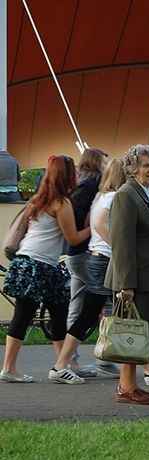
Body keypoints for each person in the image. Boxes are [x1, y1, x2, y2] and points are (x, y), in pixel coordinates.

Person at [0, 156, 90, 383]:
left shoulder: (37, 200)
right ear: (68, 175)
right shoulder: (62, 203)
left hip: (28, 262)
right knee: (28, 315)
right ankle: (10, 369)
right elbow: (73, 238)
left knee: (53, 314)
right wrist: (95, 227)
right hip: (39, 266)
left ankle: (62, 365)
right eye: (75, 172)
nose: (78, 176)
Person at [104, 145, 149, 404]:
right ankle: (126, 387)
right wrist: (126, 285)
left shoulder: (145, 193)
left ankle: (130, 384)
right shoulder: (126, 195)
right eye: (146, 165)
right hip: (135, 279)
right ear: (133, 169)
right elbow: (122, 243)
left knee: (140, 334)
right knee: (130, 333)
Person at [65, 147, 109, 377]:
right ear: (97, 163)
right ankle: (106, 358)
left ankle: (70, 361)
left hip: (76, 253)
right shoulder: (93, 188)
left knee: (78, 303)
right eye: (104, 161)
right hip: (86, 253)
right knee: (102, 301)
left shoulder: (81, 186)